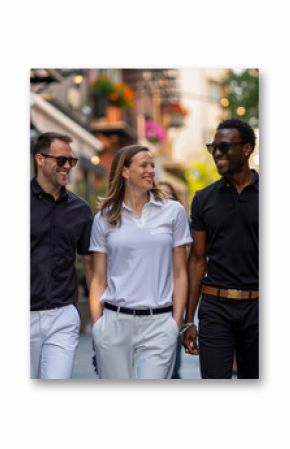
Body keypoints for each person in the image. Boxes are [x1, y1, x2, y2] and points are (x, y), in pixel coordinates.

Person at [89, 145, 192, 379]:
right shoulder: (104, 217)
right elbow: (98, 278)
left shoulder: (172, 211)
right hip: (114, 323)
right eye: (143, 165)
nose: (151, 170)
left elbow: (180, 273)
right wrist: (98, 328)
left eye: (152, 165)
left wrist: (175, 323)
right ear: (125, 172)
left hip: (159, 323)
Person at [183, 119, 259, 379]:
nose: (216, 153)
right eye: (213, 147)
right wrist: (188, 320)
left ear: (247, 149)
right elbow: (196, 259)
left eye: (224, 147)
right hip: (215, 307)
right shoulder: (203, 199)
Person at [30, 132, 93, 379]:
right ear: (40, 159)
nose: (67, 166)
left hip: (63, 316)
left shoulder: (81, 210)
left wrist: (97, 318)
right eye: (61, 160)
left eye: (71, 161)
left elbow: (90, 265)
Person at [157, 181, 186, 379]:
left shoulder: (178, 225)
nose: (164, 201)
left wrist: (180, 317)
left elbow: (183, 271)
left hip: (171, 305)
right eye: (159, 196)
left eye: (168, 197)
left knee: (171, 368)